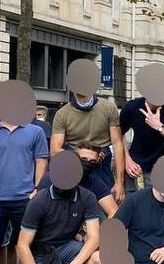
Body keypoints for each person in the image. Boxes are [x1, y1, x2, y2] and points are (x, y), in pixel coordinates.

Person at [15, 160, 106, 264]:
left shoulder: (87, 197)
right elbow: (22, 246)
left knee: (101, 260)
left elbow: (94, 238)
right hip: (39, 255)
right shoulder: (39, 201)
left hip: (66, 248)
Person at [0, 114, 49, 264]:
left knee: (22, 243)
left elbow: (41, 161)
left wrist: (37, 189)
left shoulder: (35, 131)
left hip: (25, 197)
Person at [51, 86, 125, 218]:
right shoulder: (62, 114)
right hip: (73, 165)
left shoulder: (108, 108)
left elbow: (118, 144)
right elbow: (55, 150)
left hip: (102, 166)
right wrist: (82, 156)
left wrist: (119, 182)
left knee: (109, 212)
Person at [119, 92, 164, 192]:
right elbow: (118, 134)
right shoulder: (132, 107)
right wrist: (127, 159)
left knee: (160, 206)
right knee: (134, 205)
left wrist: (160, 127)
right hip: (135, 170)